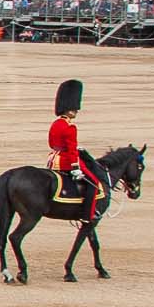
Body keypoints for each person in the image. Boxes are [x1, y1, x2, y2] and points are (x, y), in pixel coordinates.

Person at [49, 79, 100, 217]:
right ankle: (87, 214)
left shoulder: (56, 123)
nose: (76, 111)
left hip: (53, 159)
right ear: (69, 109)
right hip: (66, 160)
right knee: (93, 184)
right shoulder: (70, 126)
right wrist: (75, 167)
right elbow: (71, 149)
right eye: (74, 109)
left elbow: (52, 143)